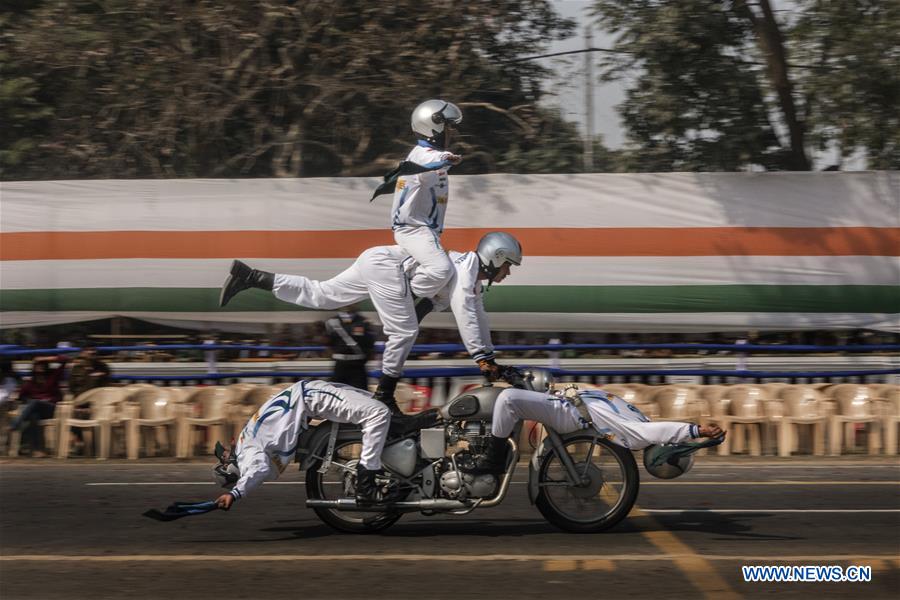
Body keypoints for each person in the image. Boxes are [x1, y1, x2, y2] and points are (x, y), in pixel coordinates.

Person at [219, 231, 523, 416]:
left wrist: (487, 354)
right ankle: (385, 394)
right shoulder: (466, 273)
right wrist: (484, 358)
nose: (508, 273)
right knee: (404, 331)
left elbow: (470, 313)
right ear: (496, 257)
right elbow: (467, 313)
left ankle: (251, 277)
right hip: (387, 267)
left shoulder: (466, 276)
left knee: (322, 295)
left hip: (378, 260)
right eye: (508, 265)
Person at [470, 376, 725, 474]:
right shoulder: (643, 422)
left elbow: (661, 431)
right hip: (567, 402)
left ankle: (492, 458)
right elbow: (663, 429)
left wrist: (696, 431)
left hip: (568, 412)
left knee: (507, 399)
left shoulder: (639, 436)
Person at [213, 379, 391, 509]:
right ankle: (367, 479)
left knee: (382, 407)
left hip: (310, 395)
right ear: (231, 469)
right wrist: (235, 494)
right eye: (225, 457)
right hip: (311, 397)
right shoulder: (247, 453)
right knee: (379, 412)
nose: (227, 451)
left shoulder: (246, 443)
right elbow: (258, 470)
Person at [381, 100, 463, 301]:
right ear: (433, 126)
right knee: (441, 270)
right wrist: (448, 158)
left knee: (445, 291)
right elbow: (432, 160)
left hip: (424, 232)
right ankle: (400, 295)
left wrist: (445, 160)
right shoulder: (422, 156)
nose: (452, 132)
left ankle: (419, 310)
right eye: (448, 126)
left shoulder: (422, 157)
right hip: (414, 231)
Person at [9, 355, 69, 457]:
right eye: (38, 365)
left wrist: (44, 358)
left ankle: (15, 424)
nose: (40, 367)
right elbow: (20, 397)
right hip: (37, 411)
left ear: (46, 366)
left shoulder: (53, 376)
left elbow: (65, 359)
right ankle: (39, 450)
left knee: (35, 402)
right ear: (34, 368)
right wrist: (26, 401)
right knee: (34, 416)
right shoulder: (30, 383)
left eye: (42, 365)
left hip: (52, 409)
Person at [324, 305, 375, 390]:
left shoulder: (364, 322)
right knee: (338, 393)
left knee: (361, 393)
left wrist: (363, 359)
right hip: (340, 365)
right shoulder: (331, 322)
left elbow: (370, 344)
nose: (347, 305)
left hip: (358, 365)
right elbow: (328, 343)